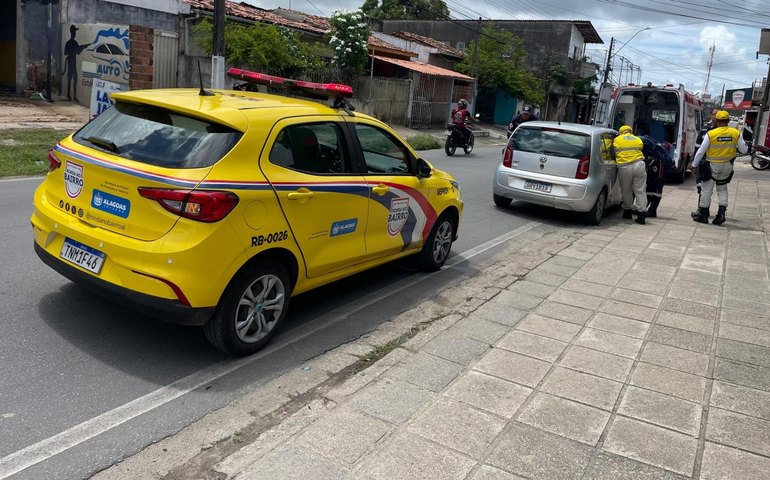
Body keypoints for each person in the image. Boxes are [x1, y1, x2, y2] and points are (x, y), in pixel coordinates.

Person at [691, 110, 748, 225]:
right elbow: (744, 150)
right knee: (722, 189)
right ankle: (721, 214)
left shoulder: (711, 133)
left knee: (707, 189)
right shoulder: (736, 133)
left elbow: (701, 151)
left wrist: (693, 165)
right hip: (727, 166)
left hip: (712, 166)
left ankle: (703, 214)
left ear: (716, 120)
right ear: (728, 120)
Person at [613, 125, 649, 224]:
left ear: (621, 132)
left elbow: (613, 152)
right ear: (631, 131)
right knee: (640, 190)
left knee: (626, 189)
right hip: (639, 164)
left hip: (625, 166)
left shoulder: (617, 139)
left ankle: (627, 212)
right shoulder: (638, 139)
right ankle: (641, 215)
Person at [640, 135, 673, 217]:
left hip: (660, 162)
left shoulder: (640, 141)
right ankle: (645, 209)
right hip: (658, 162)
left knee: (657, 186)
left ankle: (652, 210)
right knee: (650, 186)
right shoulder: (641, 140)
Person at [63, 25, 90, 103]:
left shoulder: (74, 43)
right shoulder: (69, 43)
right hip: (70, 61)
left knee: (74, 78)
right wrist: (73, 51)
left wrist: (83, 47)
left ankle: (73, 96)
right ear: (72, 32)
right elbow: (66, 52)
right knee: (70, 78)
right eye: (74, 32)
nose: (75, 33)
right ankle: (69, 94)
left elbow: (78, 51)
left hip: (73, 62)